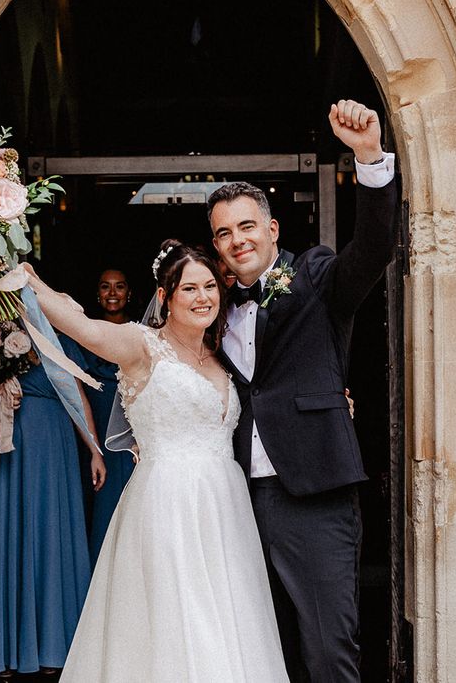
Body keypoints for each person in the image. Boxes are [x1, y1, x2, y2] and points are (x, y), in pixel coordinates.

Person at [24, 243, 289, 682]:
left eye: (209, 286)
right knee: (177, 622)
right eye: (190, 288)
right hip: (168, 505)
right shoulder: (140, 346)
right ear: (165, 296)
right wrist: (26, 280)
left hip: (226, 510)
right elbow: (82, 326)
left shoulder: (223, 355)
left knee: (229, 620)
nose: (203, 296)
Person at [208, 98, 397, 681]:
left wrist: (368, 157)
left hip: (312, 494)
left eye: (246, 226)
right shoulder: (209, 312)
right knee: (263, 651)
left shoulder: (315, 275)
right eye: (223, 234)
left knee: (327, 647)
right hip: (235, 500)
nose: (237, 240)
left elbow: (371, 252)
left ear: (272, 229)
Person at [0, 333, 106, 677]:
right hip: (5, 454)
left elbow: (77, 398)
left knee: (50, 539)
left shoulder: (60, 341)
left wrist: (95, 451)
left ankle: (54, 646)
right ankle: (3, 651)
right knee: (5, 540)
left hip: (52, 451)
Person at [82, 268, 136, 567]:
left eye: (119, 286)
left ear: (130, 293)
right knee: (99, 507)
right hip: (97, 429)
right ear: (97, 293)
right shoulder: (85, 335)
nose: (112, 293)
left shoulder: (141, 334)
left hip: (131, 435)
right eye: (105, 287)